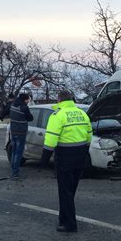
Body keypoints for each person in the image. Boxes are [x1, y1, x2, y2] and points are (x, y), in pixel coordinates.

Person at [40, 90, 92, 232]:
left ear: (59, 100)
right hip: (80, 154)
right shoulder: (82, 113)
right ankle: (63, 218)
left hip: (65, 156)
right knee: (71, 190)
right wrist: (84, 149)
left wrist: (43, 161)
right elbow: (89, 135)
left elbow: (51, 139)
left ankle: (70, 224)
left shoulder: (57, 115)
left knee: (65, 191)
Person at [9, 93, 33, 179]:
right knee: (18, 153)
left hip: (13, 131)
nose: (28, 101)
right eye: (28, 100)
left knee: (14, 151)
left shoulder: (13, 105)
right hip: (21, 132)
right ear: (25, 100)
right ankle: (15, 173)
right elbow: (30, 118)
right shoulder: (24, 107)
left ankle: (13, 170)